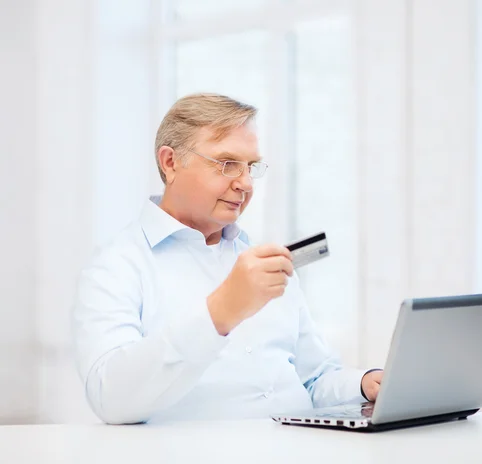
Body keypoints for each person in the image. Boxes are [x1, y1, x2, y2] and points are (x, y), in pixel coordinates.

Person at [72, 93, 383, 424]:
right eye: (227, 164)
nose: (246, 183)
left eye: (250, 167)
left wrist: (365, 384)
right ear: (170, 162)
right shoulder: (116, 267)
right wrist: (221, 311)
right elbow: (111, 400)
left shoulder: (260, 261)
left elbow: (314, 377)